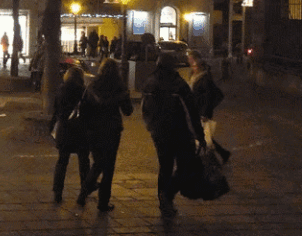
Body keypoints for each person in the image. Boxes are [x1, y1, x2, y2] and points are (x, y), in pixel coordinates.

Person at [142, 53, 205, 217]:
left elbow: (145, 109)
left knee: (165, 167)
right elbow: (191, 112)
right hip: (179, 133)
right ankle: (167, 196)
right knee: (185, 166)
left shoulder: (150, 82)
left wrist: (151, 126)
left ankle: (164, 200)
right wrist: (200, 135)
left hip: (159, 133)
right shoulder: (178, 85)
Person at [77, 57, 133, 212]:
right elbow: (128, 111)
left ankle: (83, 193)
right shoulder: (119, 87)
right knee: (109, 167)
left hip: (93, 129)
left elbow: (84, 108)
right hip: (111, 130)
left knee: (98, 163)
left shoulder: (93, 85)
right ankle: (103, 202)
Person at [49, 66, 90, 204]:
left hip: (64, 129)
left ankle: (57, 192)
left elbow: (55, 111)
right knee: (83, 162)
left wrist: (52, 127)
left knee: (62, 161)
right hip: (80, 130)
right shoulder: (83, 91)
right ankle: (83, 194)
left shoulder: (61, 90)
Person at [188, 50, 230, 164]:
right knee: (203, 136)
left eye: (192, 59)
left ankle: (214, 158)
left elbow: (207, 97)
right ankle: (222, 153)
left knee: (202, 136)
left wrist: (204, 113)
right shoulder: (193, 74)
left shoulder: (204, 78)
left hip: (202, 111)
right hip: (195, 109)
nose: (190, 61)